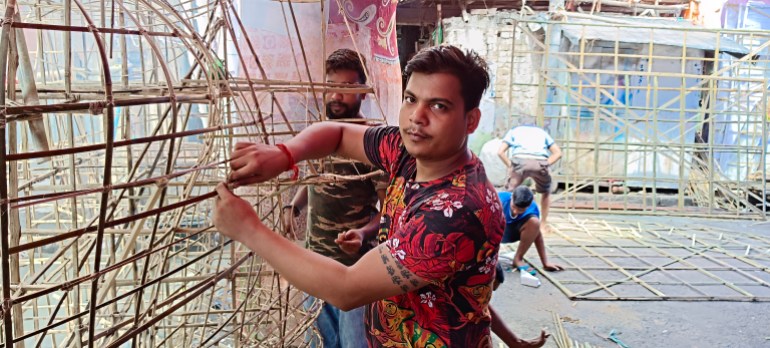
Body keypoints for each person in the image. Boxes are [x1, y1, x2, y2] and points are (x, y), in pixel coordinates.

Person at [214, 45, 505, 346]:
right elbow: (338, 134)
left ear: (471, 120)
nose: (416, 117)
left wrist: (249, 229)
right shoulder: (406, 152)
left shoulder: (457, 210)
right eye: (411, 99)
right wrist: (284, 153)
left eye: (438, 106)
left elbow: (347, 288)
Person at [282, 48, 387, 348]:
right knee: (318, 342)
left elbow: (390, 209)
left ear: (363, 93)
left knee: (355, 343)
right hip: (315, 263)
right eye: (332, 87)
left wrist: (365, 232)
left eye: (346, 88)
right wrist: (295, 204)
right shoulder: (319, 132)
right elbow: (315, 177)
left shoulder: (372, 142)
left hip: (355, 271)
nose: (336, 96)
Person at [497, 125, 562, 226]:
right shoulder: (542, 132)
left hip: (520, 162)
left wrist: (511, 166)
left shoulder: (514, 131)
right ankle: (543, 224)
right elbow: (558, 153)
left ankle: (506, 222)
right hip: (540, 163)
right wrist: (545, 164)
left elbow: (500, 152)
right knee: (546, 193)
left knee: (509, 194)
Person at [498, 186, 563, 275]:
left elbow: (537, 234)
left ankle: (518, 258)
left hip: (513, 233)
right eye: (514, 207)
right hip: (494, 233)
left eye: (521, 210)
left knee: (534, 222)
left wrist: (545, 262)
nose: (516, 211)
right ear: (511, 197)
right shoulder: (499, 199)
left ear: (528, 206)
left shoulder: (532, 209)